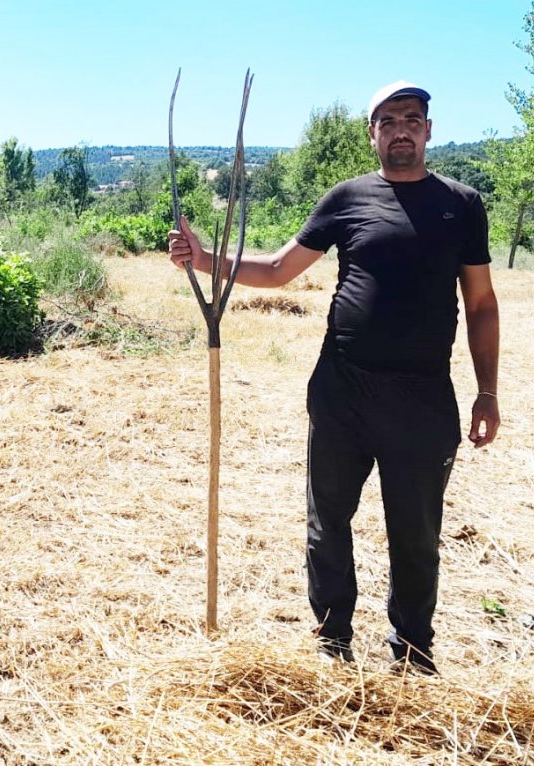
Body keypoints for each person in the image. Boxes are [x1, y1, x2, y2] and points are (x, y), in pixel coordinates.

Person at [169, 81, 500, 675]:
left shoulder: (462, 204)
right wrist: (205, 259)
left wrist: (488, 391)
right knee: (328, 524)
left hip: (423, 397)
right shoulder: (346, 198)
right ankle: (332, 639)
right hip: (342, 389)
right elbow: (275, 269)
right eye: (389, 120)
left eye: (413, 118)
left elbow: (480, 303)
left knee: (417, 534)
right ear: (372, 133)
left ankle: (413, 650)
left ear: (428, 129)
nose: (402, 128)